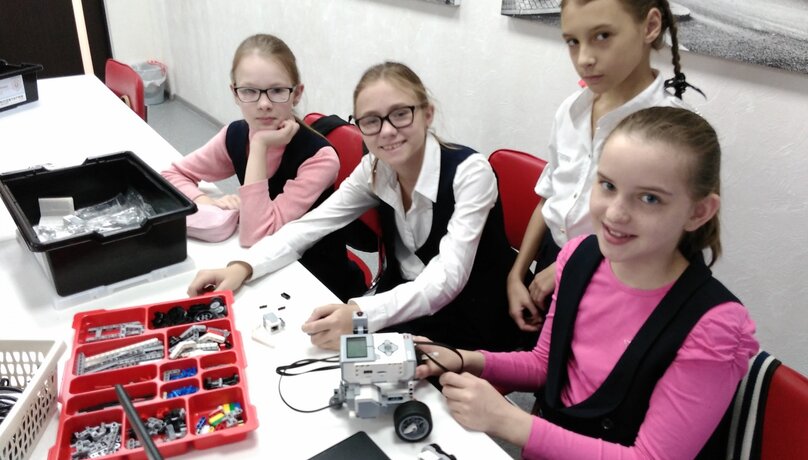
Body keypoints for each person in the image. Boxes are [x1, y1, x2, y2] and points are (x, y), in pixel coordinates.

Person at [416, 107, 758, 459]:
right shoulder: (579, 257)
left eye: (650, 198)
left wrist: (508, 421)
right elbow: (545, 364)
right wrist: (463, 359)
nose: (615, 213)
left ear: (698, 212)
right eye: (607, 185)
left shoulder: (714, 326)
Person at [188, 61, 533, 352]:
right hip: (402, 304)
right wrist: (243, 266)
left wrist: (358, 314)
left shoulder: (470, 173)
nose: (387, 131)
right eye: (370, 121)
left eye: (401, 114)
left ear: (427, 114)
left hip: (474, 316)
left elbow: (447, 279)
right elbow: (311, 225)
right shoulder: (374, 169)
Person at [507, 0, 701, 336]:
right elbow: (550, 197)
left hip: (617, 281)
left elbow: (660, 242)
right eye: (573, 41)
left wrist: (569, 266)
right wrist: (516, 273)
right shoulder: (571, 110)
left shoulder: (673, 132)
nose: (584, 59)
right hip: (550, 264)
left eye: (602, 36)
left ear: (650, 26)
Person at [162, 34, 364, 301]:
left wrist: (259, 146)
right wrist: (205, 200)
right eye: (249, 91)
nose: (264, 104)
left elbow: (257, 236)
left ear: (296, 94)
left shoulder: (319, 157)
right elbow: (171, 175)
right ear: (235, 94)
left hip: (316, 282)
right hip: (261, 270)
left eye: (277, 91)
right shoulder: (235, 135)